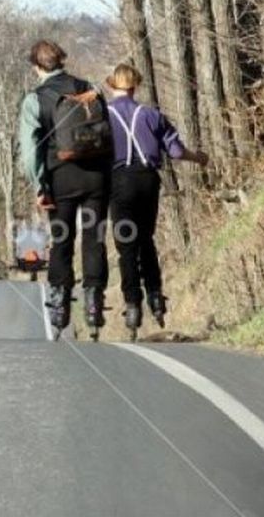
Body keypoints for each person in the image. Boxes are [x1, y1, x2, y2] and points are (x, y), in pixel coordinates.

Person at [106, 63, 209, 335]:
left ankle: (132, 304)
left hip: (118, 181)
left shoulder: (102, 116)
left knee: (126, 245)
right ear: (135, 85)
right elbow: (175, 152)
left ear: (111, 85)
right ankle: (155, 296)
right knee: (146, 240)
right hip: (148, 179)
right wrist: (197, 157)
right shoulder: (152, 115)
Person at [19, 40, 111, 340]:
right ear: (61, 61)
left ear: (36, 66)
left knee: (62, 240)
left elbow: (31, 151)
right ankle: (94, 302)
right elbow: (107, 134)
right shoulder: (89, 88)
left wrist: (38, 185)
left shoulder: (35, 99)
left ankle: (59, 304)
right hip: (96, 176)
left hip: (60, 178)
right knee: (94, 238)